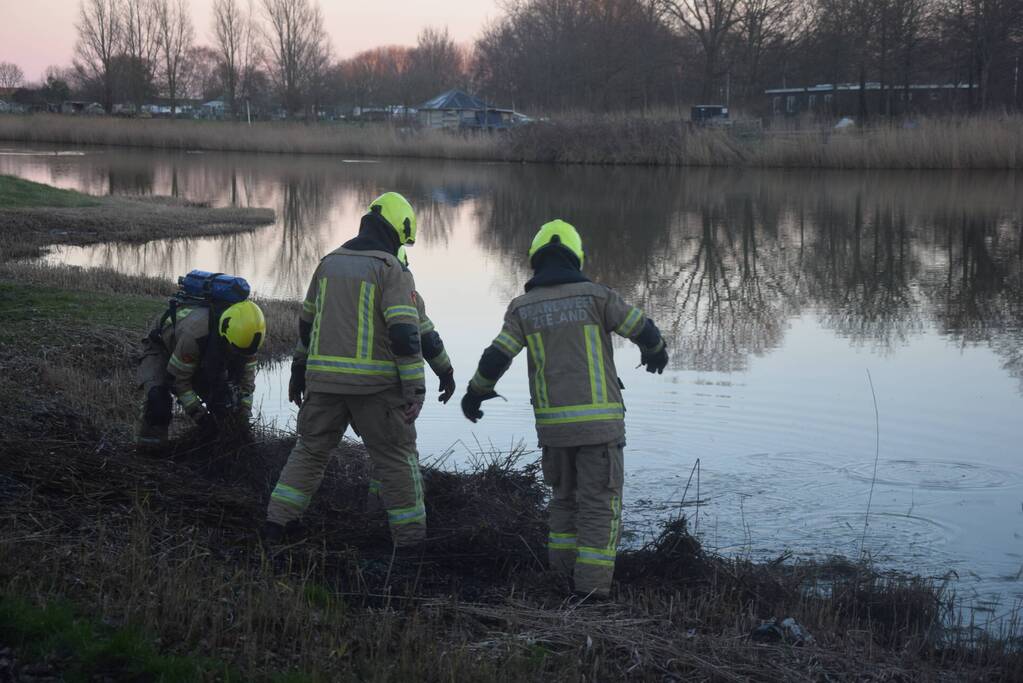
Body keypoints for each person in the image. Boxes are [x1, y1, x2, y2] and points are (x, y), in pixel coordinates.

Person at [460, 220, 668, 598]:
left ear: (536, 261)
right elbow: (644, 329)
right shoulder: (597, 297)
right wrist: (655, 353)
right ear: (576, 257)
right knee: (599, 505)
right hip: (600, 428)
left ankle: (559, 578)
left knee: (563, 502)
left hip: (554, 431)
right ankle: (591, 593)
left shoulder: (523, 307)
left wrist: (475, 394)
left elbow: (496, 357)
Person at [263, 192, 428, 547]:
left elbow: (306, 324)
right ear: (398, 230)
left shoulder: (328, 263)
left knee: (309, 452)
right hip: (377, 388)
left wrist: (298, 371)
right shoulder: (390, 269)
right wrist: (415, 388)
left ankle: (277, 524)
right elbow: (404, 333)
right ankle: (411, 546)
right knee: (396, 460)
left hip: (323, 384)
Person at [137, 298, 266, 448]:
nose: (240, 356)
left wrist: (243, 415)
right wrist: (201, 417)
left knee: (225, 403)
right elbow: (178, 381)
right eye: (236, 351)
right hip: (162, 348)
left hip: (201, 356)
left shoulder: (248, 341)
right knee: (158, 401)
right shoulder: (194, 334)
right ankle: (150, 450)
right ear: (225, 336)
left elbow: (247, 384)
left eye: (244, 353)